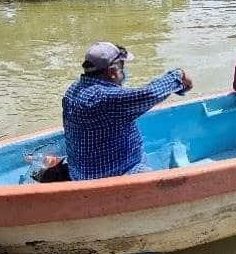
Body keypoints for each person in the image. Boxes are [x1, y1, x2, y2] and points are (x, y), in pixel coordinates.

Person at [62, 42, 193, 180]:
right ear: (112, 72)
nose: (124, 71)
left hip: (79, 173)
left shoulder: (73, 89)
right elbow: (150, 93)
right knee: (163, 184)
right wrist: (178, 75)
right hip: (116, 174)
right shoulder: (106, 98)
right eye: (122, 67)